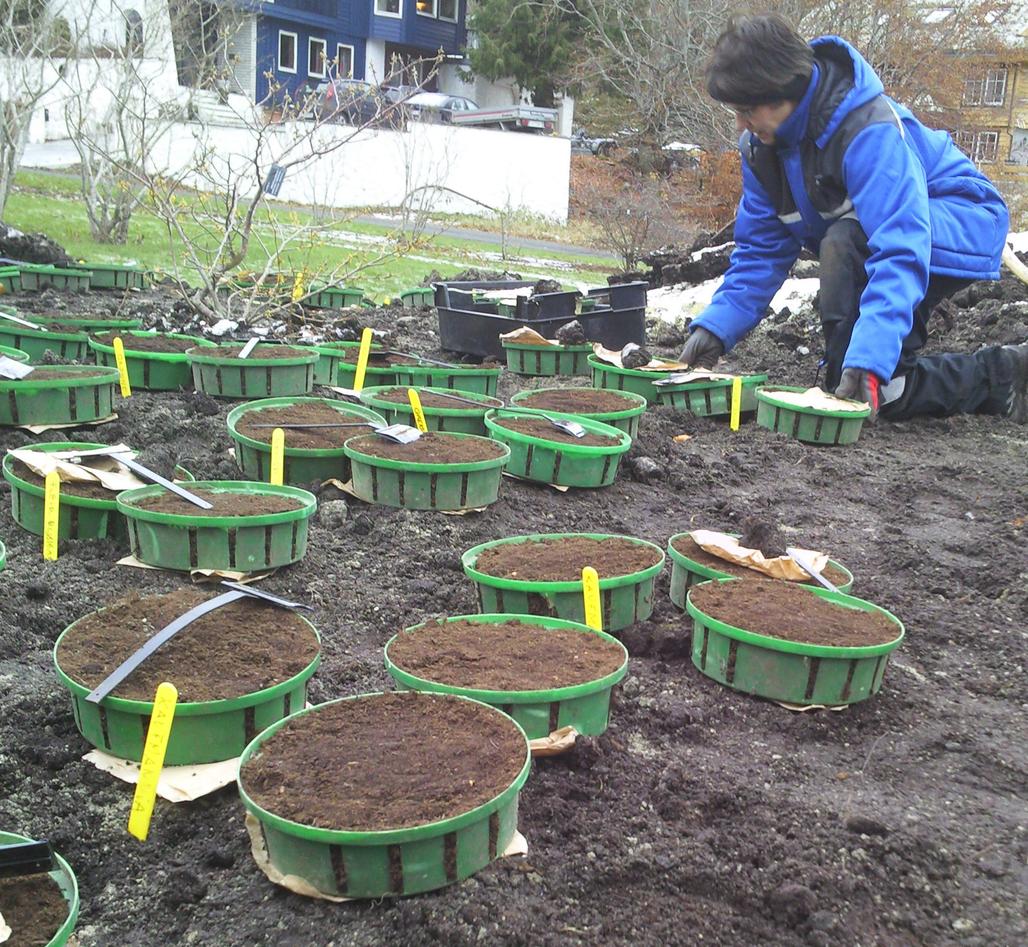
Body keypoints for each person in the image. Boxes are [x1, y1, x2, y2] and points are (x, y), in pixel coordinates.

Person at [679, 13, 1027, 422]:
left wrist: (866, 360)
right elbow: (761, 252)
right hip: (880, 235)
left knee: (871, 374)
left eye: (746, 110)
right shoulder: (761, 150)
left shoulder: (866, 130)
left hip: (961, 218)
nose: (741, 125)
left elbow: (899, 244)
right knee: (881, 391)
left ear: (783, 93)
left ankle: (1005, 372)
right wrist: (715, 329)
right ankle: (889, 375)